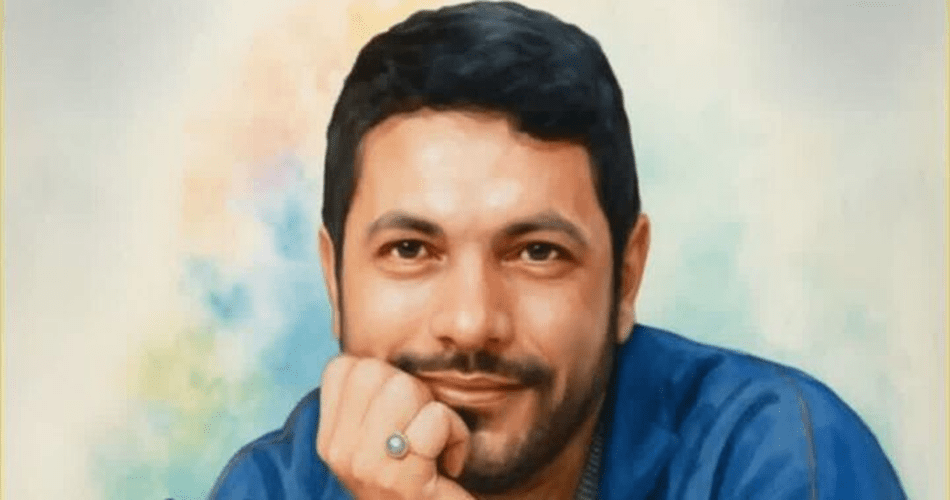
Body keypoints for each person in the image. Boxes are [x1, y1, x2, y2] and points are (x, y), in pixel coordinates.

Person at [210, 2, 906, 499]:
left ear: (626, 277)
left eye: (537, 253)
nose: (472, 324)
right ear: (334, 279)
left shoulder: (785, 456)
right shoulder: (269, 488)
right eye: (411, 249)